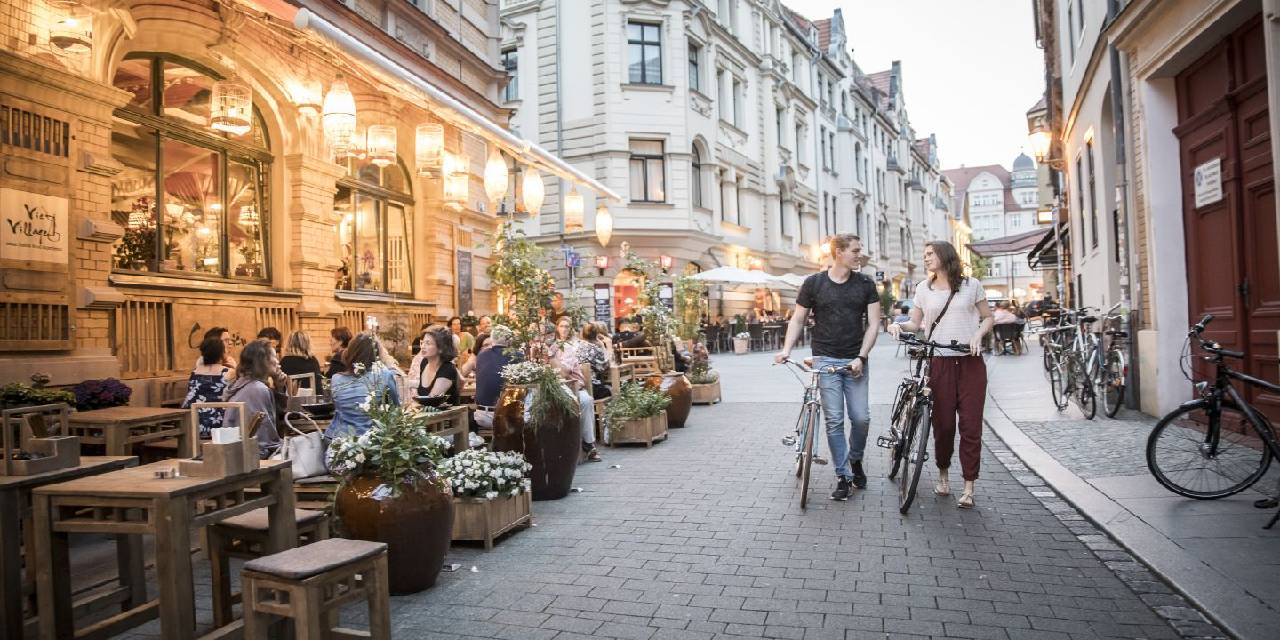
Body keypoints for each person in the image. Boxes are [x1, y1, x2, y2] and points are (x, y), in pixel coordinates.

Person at [775, 233, 881, 502]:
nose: (860, 254)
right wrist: (786, 350)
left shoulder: (866, 283)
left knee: (861, 418)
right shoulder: (814, 283)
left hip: (854, 361)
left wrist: (861, 357)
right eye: (855, 250)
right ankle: (843, 475)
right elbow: (798, 319)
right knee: (834, 419)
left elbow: (874, 324)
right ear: (839, 253)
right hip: (825, 359)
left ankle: (855, 460)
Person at [888, 241, 993, 509]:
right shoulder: (923, 288)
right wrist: (899, 326)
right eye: (923, 255)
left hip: (970, 363)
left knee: (971, 427)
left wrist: (978, 335)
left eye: (929, 254)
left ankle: (969, 485)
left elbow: (988, 317)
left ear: (945, 256)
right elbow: (916, 322)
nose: (925, 259)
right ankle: (944, 474)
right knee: (944, 426)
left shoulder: (972, 285)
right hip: (940, 362)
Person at [327, 334, 402, 438]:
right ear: (376, 353)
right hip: (372, 442)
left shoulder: (336, 379)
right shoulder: (384, 375)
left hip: (338, 440)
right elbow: (396, 410)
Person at [549, 316, 601, 461]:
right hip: (555, 388)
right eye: (562, 326)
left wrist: (550, 357)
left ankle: (589, 444)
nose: (564, 329)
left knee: (585, 401)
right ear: (557, 328)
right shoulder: (551, 346)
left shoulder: (571, 347)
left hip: (575, 387)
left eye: (567, 326)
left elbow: (564, 372)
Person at [221, 339, 282, 457]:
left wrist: (279, 387)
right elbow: (268, 437)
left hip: (237, 449)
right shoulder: (258, 389)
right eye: (274, 356)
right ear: (263, 361)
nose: (277, 361)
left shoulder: (243, 384)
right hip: (250, 453)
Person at [183, 336, 231, 437]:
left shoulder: (194, 372)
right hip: (218, 424)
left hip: (193, 422)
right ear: (221, 353)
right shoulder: (228, 373)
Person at [468, 324, 514, 430]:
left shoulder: (481, 355)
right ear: (510, 341)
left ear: (492, 341)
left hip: (482, 416)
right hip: (507, 417)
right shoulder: (517, 355)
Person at [415, 324, 460, 408]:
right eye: (422, 342)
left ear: (441, 348)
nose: (423, 346)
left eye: (428, 343)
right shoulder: (424, 363)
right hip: (428, 417)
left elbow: (432, 401)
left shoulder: (448, 368)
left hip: (446, 418)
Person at [581, 323, 612, 400]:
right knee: (613, 389)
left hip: (580, 387)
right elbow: (605, 367)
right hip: (593, 389)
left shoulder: (576, 346)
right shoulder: (596, 349)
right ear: (597, 335)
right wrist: (607, 347)